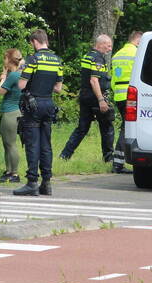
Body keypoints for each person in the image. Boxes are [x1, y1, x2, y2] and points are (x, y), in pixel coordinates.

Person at [59, 34, 129, 173]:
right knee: (107, 127)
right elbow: (94, 80)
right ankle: (108, 158)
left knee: (82, 128)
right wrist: (101, 100)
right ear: (100, 44)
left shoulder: (88, 56)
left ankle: (65, 155)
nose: (110, 49)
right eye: (108, 45)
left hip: (85, 96)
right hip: (95, 97)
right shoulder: (98, 58)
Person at [13, 29, 64, 196]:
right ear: (46, 41)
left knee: (32, 143)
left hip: (33, 104)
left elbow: (21, 85)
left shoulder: (33, 59)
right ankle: (46, 183)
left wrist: (22, 73)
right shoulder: (57, 60)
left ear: (34, 42)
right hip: (49, 103)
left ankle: (32, 182)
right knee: (46, 144)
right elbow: (58, 88)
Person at [110, 31, 143, 171]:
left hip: (118, 96)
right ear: (138, 41)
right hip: (131, 97)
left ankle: (117, 161)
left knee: (125, 127)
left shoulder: (117, 54)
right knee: (127, 129)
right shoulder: (136, 53)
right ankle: (117, 163)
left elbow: (113, 79)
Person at [0, 49, 25, 183]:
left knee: (11, 144)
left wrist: (3, 77)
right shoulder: (21, 73)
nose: (4, 62)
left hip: (10, 113)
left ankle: (14, 173)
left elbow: (1, 91)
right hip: (16, 111)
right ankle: (8, 171)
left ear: (9, 60)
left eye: (4, 59)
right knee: (7, 144)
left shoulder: (13, 76)